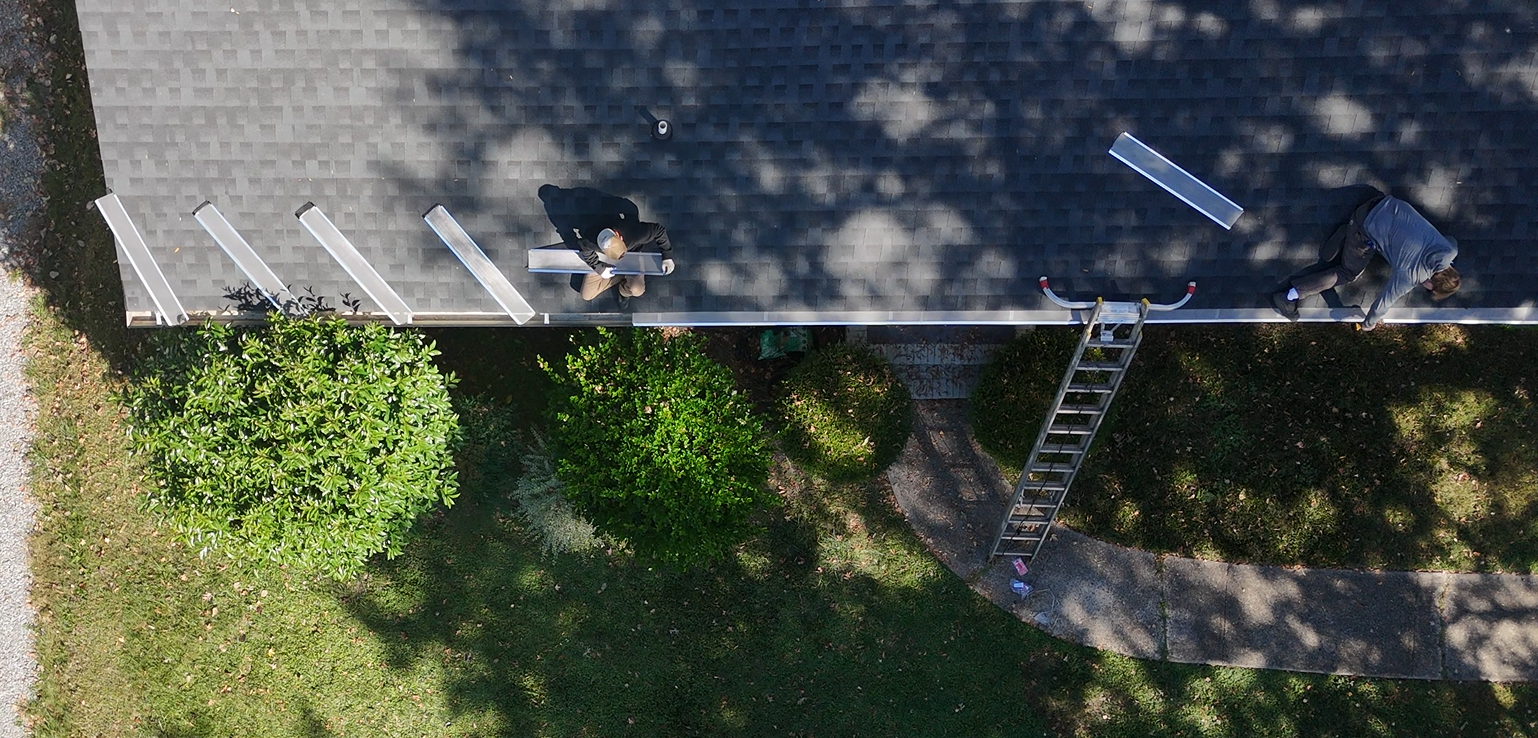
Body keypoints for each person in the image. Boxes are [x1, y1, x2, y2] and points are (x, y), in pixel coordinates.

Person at [1270, 192, 1460, 330]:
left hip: (1383, 201)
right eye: (1430, 289)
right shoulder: (1409, 277)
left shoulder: (1449, 249)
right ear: (1432, 282)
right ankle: (1288, 297)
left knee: (1389, 251)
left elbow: (1451, 238)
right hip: (1363, 224)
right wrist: (1368, 324)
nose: (1425, 288)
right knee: (1347, 273)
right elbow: (1382, 305)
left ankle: (1349, 233)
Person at [577, 215, 675, 306]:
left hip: (633, 259)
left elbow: (659, 230)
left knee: (637, 290)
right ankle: (622, 277)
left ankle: (623, 290)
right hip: (603, 261)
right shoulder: (590, 239)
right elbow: (585, 250)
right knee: (586, 295)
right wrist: (598, 267)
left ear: (619, 236)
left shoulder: (633, 233)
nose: (621, 258)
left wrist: (667, 255)